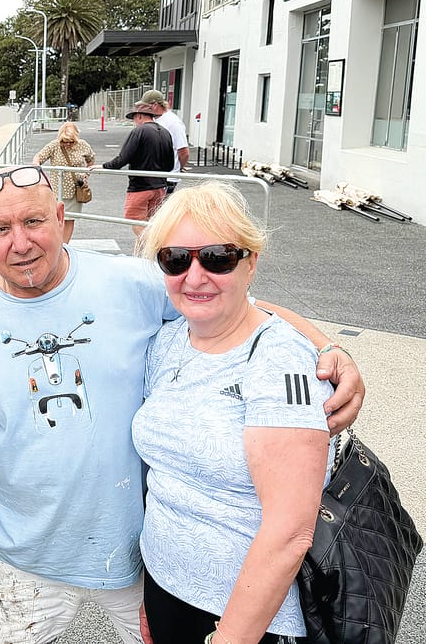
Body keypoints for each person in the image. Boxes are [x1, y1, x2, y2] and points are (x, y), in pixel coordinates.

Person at [0, 165, 363, 644]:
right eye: (0, 229)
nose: (20, 243)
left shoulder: (136, 282)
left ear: (60, 217)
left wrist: (328, 347)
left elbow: (237, 304)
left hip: (133, 553)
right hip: (14, 557)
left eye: (33, 221)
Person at [134, 181, 334, 644]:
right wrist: (152, 592)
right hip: (167, 589)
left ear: (251, 262)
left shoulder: (280, 359)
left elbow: (290, 532)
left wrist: (231, 638)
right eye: (175, 259)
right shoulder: (169, 341)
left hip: (245, 617)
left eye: (218, 258)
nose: (194, 276)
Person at [99, 102, 174, 240]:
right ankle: (144, 251)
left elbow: (123, 158)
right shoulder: (165, 132)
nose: (134, 122)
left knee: (137, 223)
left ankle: (152, 248)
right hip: (159, 186)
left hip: (140, 186)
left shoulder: (138, 132)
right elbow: (170, 165)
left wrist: (104, 166)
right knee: (152, 222)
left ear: (139, 116)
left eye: (134, 118)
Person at [31, 121, 95, 242]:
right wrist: (36, 164)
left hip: (75, 189)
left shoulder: (83, 145)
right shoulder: (54, 145)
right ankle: (55, 243)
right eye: (65, 141)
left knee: (69, 219)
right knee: (54, 218)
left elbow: (91, 160)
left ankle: (64, 245)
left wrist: (86, 175)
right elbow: (39, 156)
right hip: (57, 190)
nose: (68, 144)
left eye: (71, 141)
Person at [139, 89, 189, 195]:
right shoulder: (154, 119)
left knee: (161, 204)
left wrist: (179, 167)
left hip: (167, 178)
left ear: (155, 105)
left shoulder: (173, 123)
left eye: (145, 106)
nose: (142, 109)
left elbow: (183, 151)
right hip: (153, 175)